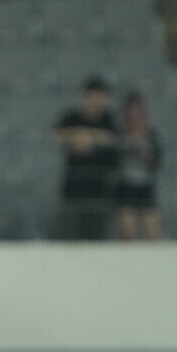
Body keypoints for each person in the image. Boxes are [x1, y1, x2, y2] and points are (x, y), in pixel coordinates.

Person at [51, 75, 118, 240]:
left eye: (99, 96)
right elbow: (56, 135)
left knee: (96, 237)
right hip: (73, 187)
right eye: (92, 95)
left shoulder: (108, 119)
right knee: (71, 236)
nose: (95, 100)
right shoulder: (72, 117)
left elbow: (111, 138)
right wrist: (78, 136)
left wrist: (88, 137)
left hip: (99, 188)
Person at [115, 92, 163, 240]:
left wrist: (139, 146)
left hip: (145, 186)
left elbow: (155, 163)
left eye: (137, 111)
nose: (134, 115)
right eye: (131, 111)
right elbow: (113, 159)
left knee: (153, 233)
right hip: (125, 186)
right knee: (127, 232)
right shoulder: (119, 135)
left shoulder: (151, 135)